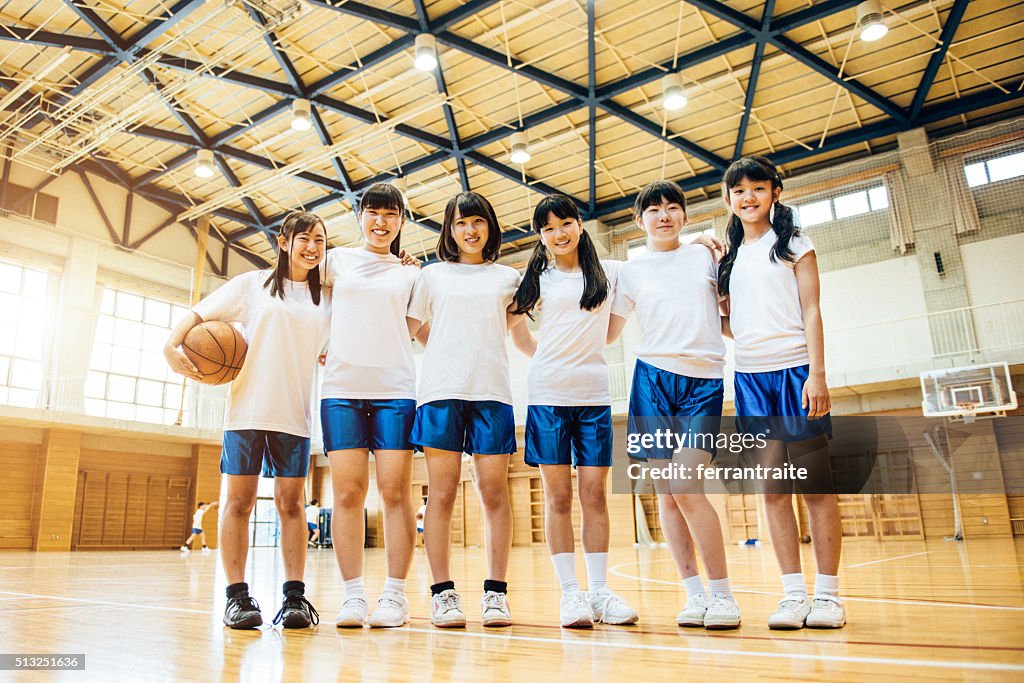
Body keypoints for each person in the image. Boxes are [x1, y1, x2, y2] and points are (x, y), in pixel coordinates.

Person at [164, 211, 330, 630]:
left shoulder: (327, 296)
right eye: (304, 238)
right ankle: (237, 598)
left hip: (295, 413)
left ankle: (295, 598)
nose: (312, 247)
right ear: (283, 241)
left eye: (320, 241)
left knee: (291, 505)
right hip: (246, 412)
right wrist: (171, 346)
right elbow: (198, 316)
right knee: (238, 502)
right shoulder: (252, 285)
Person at [717, 155, 843, 629]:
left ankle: (828, 595)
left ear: (775, 192)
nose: (748, 197)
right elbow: (735, 324)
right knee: (771, 490)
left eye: (757, 188)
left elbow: (812, 311)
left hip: (796, 374)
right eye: (739, 191)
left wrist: (818, 373)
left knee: (815, 487)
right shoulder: (728, 259)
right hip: (750, 379)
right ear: (728, 200)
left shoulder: (793, 244)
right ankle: (793, 594)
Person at [608, 179, 740, 630]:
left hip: (703, 381)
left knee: (687, 487)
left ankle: (723, 594)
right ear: (638, 219)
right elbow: (607, 331)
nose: (664, 216)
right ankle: (694, 595)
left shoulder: (706, 253)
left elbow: (727, 317)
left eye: (672, 207)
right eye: (654, 210)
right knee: (666, 491)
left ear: (685, 214)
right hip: (652, 381)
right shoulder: (628, 270)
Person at [509, 194, 638, 629]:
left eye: (565, 223)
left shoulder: (612, 273)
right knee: (559, 497)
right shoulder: (537, 278)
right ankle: (571, 594)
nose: (558, 233)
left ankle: (599, 592)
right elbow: (514, 326)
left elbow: (611, 331)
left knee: (594, 495)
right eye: (548, 228)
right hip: (547, 398)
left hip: (594, 397)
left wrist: (702, 243)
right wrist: (540, 354)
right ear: (540, 236)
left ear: (579, 225)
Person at [407, 191, 520, 629]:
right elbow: (412, 328)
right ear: (449, 230)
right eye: (460, 223)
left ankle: (495, 594)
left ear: (490, 226)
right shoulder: (431, 276)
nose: (469, 230)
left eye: (477, 222)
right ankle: (443, 594)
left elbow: (509, 322)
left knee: (493, 492)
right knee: (444, 492)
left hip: (492, 391)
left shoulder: (508, 277)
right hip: (440, 392)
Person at [320, 183, 425, 629]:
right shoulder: (334, 260)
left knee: (395, 493)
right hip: (340, 389)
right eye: (373, 213)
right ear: (359, 216)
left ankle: (395, 596)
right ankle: (353, 596)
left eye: (391, 214)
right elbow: (295, 291)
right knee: (346, 494)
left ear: (402, 221)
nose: (381, 222)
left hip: (395, 389)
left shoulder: (412, 275)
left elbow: (414, 330)